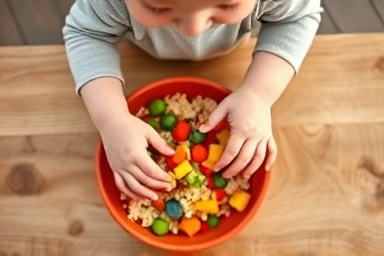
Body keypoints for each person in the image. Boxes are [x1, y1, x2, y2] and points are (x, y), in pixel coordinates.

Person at [63, 0, 323, 200]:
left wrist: (259, 94)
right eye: (158, 8)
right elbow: (87, 33)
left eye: (227, 4)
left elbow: (297, 17)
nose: (194, 29)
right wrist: (111, 119)